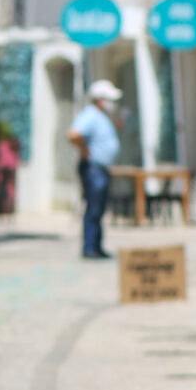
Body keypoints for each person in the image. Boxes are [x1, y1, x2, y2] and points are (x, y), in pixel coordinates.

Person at [68, 80, 123, 260]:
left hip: (100, 168)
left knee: (99, 209)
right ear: (100, 100)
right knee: (93, 208)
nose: (112, 103)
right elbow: (74, 134)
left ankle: (96, 247)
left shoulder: (100, 116)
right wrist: (85, 151)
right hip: (93, 169)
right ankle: (90, 248)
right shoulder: (90, 115)